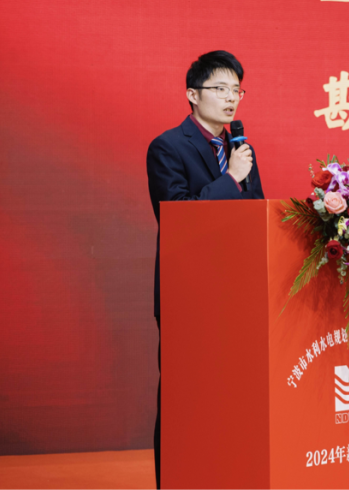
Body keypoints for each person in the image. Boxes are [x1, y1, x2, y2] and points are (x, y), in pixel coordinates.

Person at [146, 50, 264, 488]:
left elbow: (255, 216)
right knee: (186, 397)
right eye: (220, 89)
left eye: (237, 90)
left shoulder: (241, 149)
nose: (231, 98)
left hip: (237, 292)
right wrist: (231, 179)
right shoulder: (167, 147)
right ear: (193, 95)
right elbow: (177, 215)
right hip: (189, 293)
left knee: (233, 397)